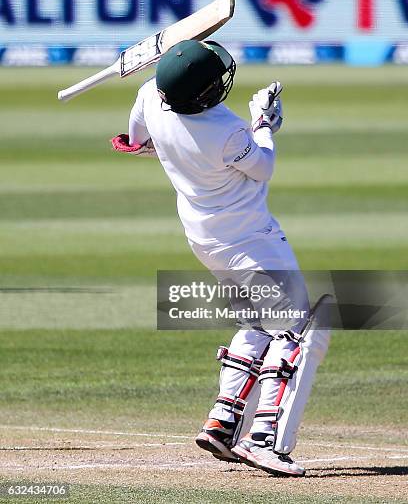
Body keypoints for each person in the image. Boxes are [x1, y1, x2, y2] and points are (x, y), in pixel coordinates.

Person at [111, 39, 329, 477]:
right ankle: (265, 440)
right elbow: (263, 165)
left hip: (204, 238)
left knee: (258, 322)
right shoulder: (227, 130)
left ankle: (223, 422)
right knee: (297, 331)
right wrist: (263, 123)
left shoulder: (148, 95)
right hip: (251, 239)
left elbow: (136, 140)